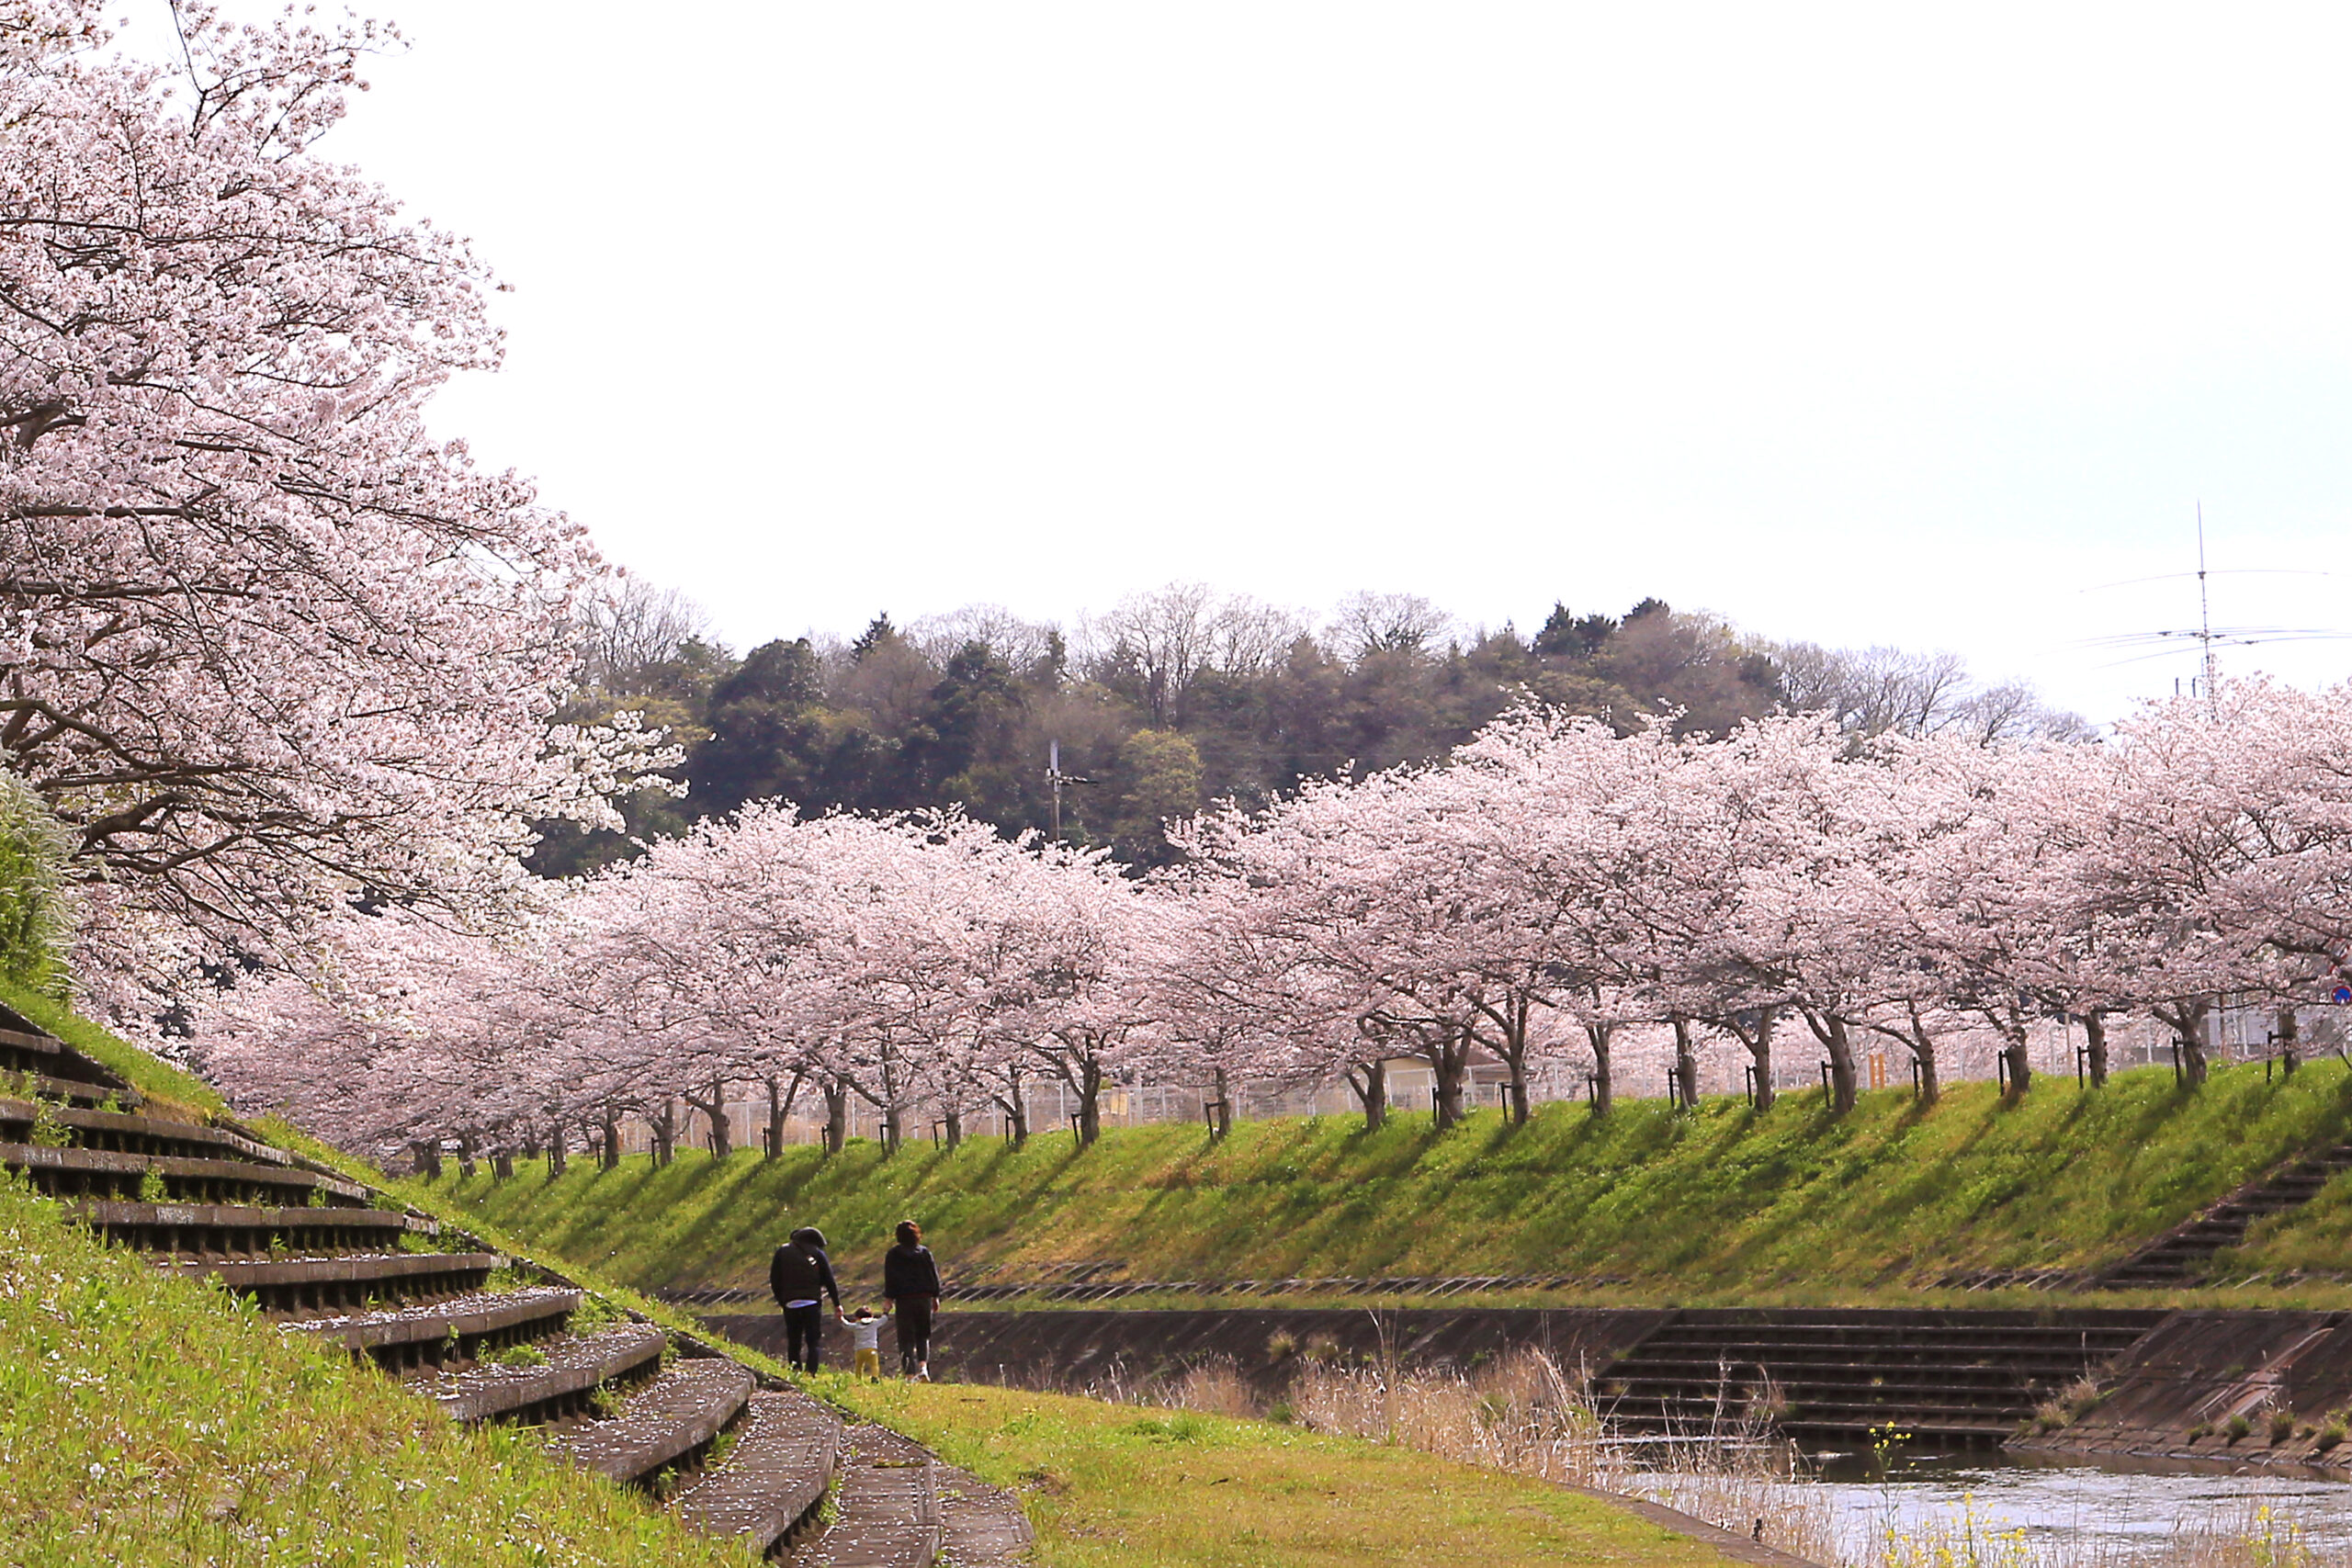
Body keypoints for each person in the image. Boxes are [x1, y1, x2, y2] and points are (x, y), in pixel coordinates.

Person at [768, 1224, 840, 1373]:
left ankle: (795, 1369)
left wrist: (782, 1301)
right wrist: (837, 1304)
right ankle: (811, 1371)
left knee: (794, 1340)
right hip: (812, 1302)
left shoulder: (782, 1252)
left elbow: (775, 1280)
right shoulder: (817, 1254)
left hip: (791, 1303)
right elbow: (829, 1280)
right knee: (813, 1341)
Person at [882, 1219, 944, 1379]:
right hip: (923, 1298)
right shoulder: (924, 1252)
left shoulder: (893, 1254)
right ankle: (923, 1368)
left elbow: (890, 1278)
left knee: (905, 1338)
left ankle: (909, 1374)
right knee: (923, 1335)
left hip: (904, 1300)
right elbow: (933, 1275)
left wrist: (889, 1298)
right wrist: (935, 1296)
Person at [841, 1303, 888, 1378]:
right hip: (872, 1348)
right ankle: (875, 1377)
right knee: (874, 1365)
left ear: (857, 1317)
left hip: (859, 1349)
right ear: (871, 1316)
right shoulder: (874, 1323)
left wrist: (841, 1317)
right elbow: (883, 1320)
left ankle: (859, 1379)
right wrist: (885, 1312)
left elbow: (846, 1325)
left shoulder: (855, 1326)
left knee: (859, 1366)